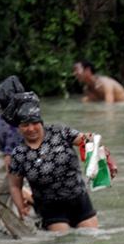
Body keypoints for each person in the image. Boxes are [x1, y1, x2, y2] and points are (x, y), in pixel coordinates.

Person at [6, 92, 102, 232]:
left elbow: (87, 141)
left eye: (34, 123)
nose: (31, 128)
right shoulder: (19, 154)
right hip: (50, 208)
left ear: (41, 122)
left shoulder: (60, 132)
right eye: (25, 125)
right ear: (19, 128)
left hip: (79, 200)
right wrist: (21, 208)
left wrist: (98, 148)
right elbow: (15, 186)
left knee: (91, 238)